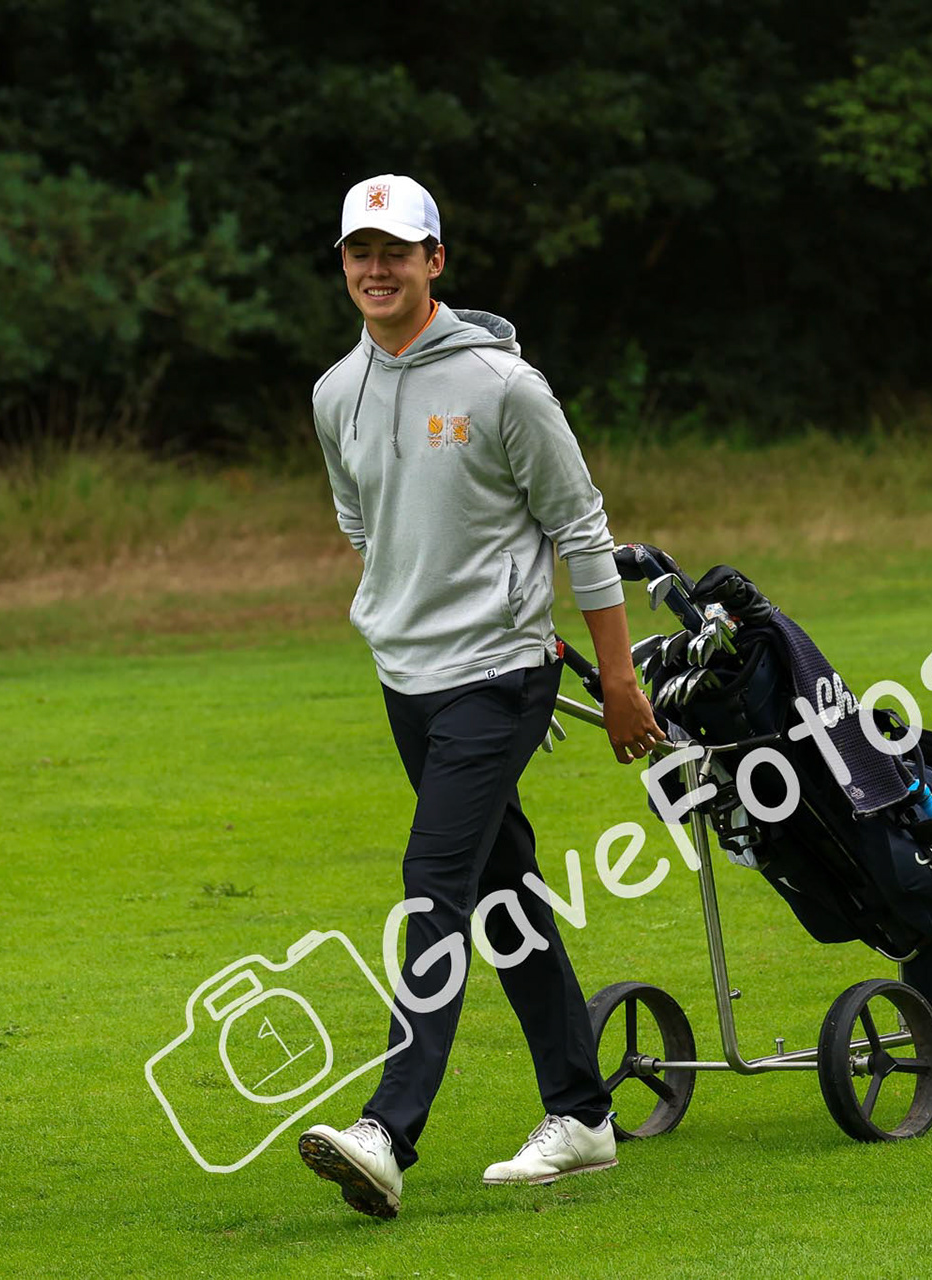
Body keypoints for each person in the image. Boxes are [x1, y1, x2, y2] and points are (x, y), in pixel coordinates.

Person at [296, 174, 667, 1219]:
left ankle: (387, 1129)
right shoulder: (335, 392)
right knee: (507, 895)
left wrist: (621, 677)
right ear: (344, 263)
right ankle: (582, 1111)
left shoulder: (505, 386)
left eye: (396, 251)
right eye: (360, 251)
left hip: (500, 676)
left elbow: (582, 530)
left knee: (435, 881)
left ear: (436, 261)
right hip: (406, 680)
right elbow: (362, 521)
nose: (377, 268)